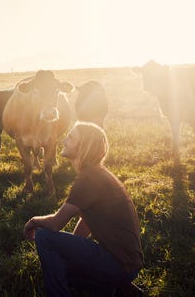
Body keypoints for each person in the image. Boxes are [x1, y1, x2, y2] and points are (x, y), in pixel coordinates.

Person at [23, 122, 143, 297]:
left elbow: (56, 224)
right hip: (126, 265)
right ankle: (119, 289)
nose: (64, 140)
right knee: (63, 269)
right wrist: (71, 252)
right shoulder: (96, 174)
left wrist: (33, 221)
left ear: (83, 148)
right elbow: (87, 219)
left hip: (119, 264)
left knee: (43, 236)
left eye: (70, 138)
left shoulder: (89, 179)